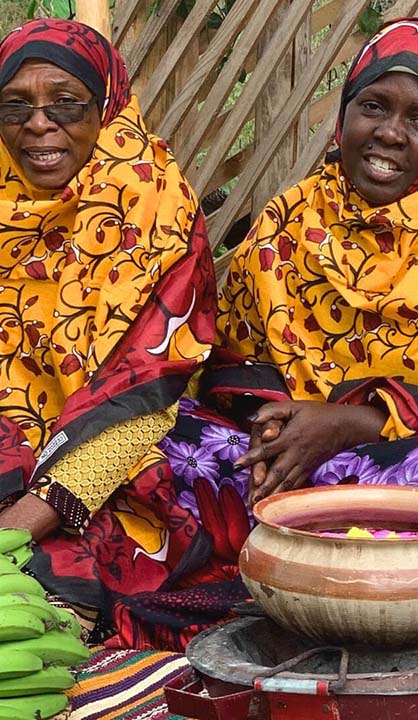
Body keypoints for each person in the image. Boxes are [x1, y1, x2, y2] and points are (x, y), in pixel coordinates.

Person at [113, 17, 418, 650]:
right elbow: (233, 361)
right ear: (344, 114)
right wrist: (275, 424)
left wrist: (349, 424)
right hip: (279, 465)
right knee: (154, 426)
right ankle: (309, 555)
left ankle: (285, 554)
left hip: (408, 475)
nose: (388, 132)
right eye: (373, 107)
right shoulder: (291, 221)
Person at [0, 19, 216, 633]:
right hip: (13, 439)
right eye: (15, 106)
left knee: (44, 581)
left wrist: (23, 519)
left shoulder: (154, 207)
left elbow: (145, 396)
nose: (38, 124)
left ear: (107, 106)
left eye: (66, 103)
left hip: (123, 454)